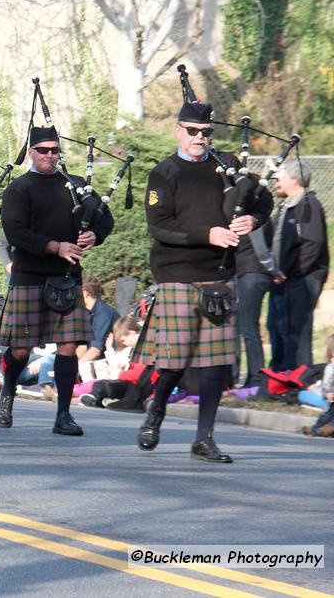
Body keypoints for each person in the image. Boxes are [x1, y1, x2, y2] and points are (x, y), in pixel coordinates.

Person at [132, 99, 268, 463]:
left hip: (219, 276)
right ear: (178, 131)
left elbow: (264, 200)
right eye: (192, 131)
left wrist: (252, 220)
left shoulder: (228, 167)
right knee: (174, 361)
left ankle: (203, 438)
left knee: (215, 363)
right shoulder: (164, 173)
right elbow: (159, 226)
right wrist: (207, 234)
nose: (200, 138)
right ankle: (156, 409)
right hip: (176, 274)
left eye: (206, 132)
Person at [0, 125, 114, 436]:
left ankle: (63, 414)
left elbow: (105, 217)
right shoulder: (19, 189)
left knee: (68, 345)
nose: (49, 155)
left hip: (66, 278)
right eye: (43, 150)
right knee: (20, 349)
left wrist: (93, 235)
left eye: (54, 150)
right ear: (31, 152)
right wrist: (55, 246)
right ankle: (8, 391)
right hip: (28, 276)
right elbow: (16, 232)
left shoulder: (74, 187)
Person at [266, 159, 329, 370]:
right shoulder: (287, 205)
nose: (276, 181)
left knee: (298, 329)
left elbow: (313, 243)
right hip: (284, 277)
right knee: (278, 325)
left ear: (294, 179)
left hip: (303, 278)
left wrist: (291, 271)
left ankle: (301, 376)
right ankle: (281, 373)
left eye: (280, 176)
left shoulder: (307, 204)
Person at [234, 184, 276, 388]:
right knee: (242, 325)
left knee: (248, 326)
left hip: (253, 273)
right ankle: (246, 376)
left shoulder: (253, 219)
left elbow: (261, 251)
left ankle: (256, 377)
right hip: (247, 273)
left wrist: (274, 270)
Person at [78, 276, 119, 364]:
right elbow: (82, 347)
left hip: (108, 363)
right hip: (91, 362)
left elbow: (95, 350)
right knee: (50, 360)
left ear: (85, 294)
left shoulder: (104, 313)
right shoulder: (86, 313)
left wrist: (74, 369)